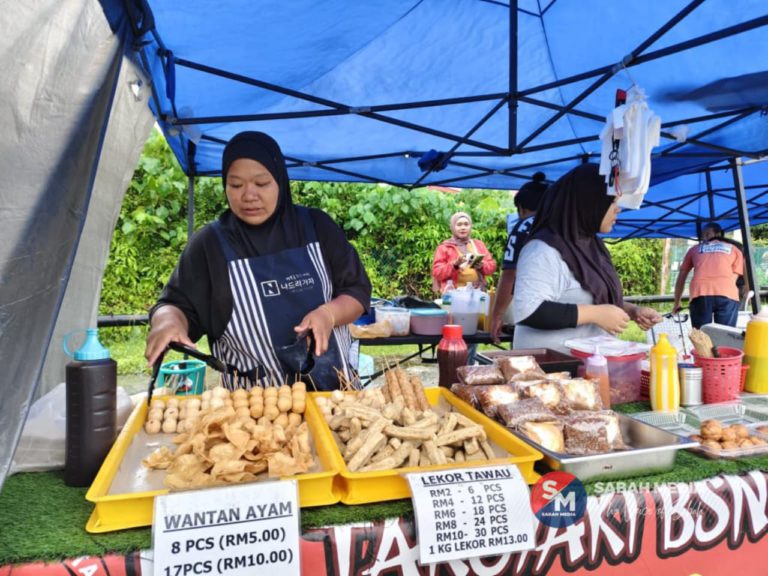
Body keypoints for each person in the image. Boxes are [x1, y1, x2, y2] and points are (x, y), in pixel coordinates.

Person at [145, 131, 372, 390]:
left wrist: (328, 315)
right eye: (236, 185)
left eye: (261, 183)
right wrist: (167, 322)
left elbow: (357, 291)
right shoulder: (208, 245)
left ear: (280, 182)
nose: (248, 195)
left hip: (336, 399)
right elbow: (175, 305)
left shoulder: (316, 227)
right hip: (252, 410)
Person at [512, 164, 661, 354]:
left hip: (587, 368)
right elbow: (529, 310)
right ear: (589, 202)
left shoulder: (590, 246)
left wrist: (632, 311)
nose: (618, 210)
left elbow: (592, 298)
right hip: (547, 371)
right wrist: (595, 314)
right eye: (612, 202)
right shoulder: (542, 250)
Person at [490, 172, 547, 342]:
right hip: (572, 315)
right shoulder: (565, 224)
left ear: (521, 208)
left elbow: (510, 274)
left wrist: (497, 315)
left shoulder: (523, 227)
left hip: (533, 314)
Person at [672, 222, 745, 328]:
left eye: (707, 234)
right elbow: (734, 276)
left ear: (718, 234)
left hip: (700, 293)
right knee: (726, 334)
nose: (704, 237)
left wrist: (677, 302)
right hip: (727, 294)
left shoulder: (695, 249)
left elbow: (682, 276)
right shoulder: (735, 249)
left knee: (702, 336)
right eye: (703, 235)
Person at [431, 211, 497, 294]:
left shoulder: (478, 244)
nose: (463, 227)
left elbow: (492, 266)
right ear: (452, 227)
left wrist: (482, 265)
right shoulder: (445, 247)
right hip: (453, 294)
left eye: (466, 224)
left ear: (470, 226)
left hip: (477, 292)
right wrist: (454, 265)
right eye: (459, 224)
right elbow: (437, 273)